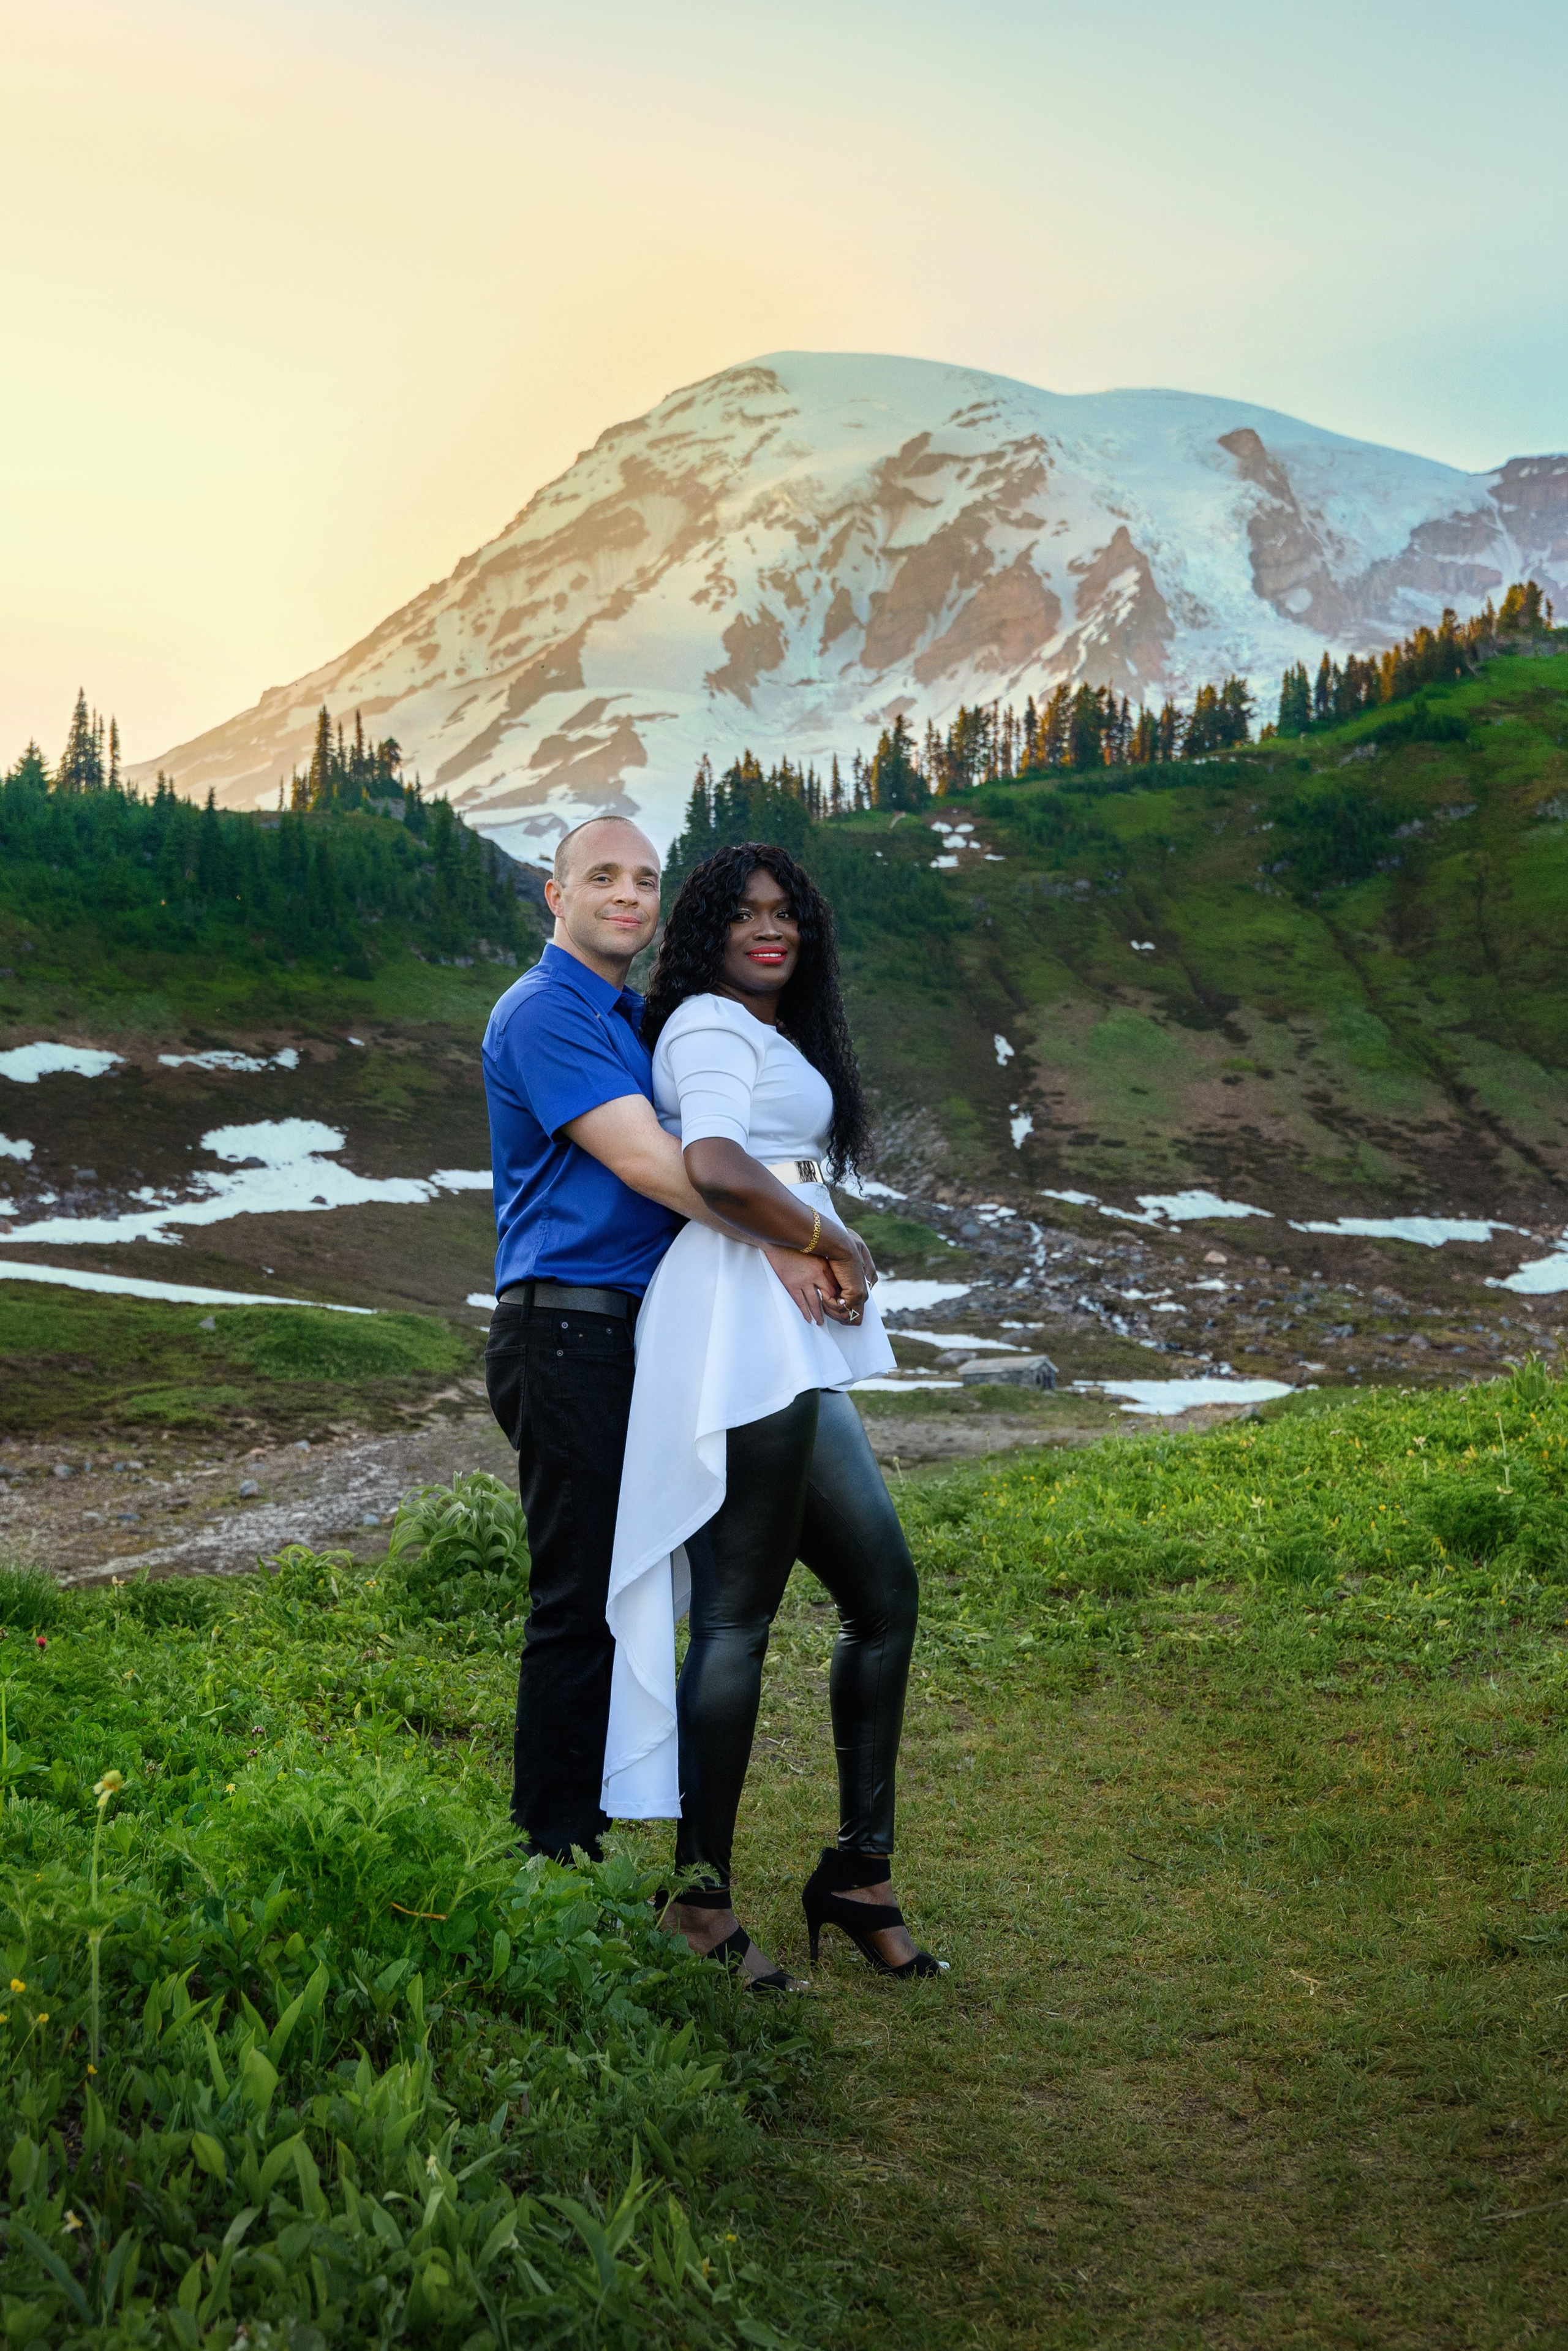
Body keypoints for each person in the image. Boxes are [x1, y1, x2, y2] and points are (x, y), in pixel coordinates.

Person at [480, 815, 869, 1865]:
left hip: (623, 1332)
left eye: (644, 880)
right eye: (601, 877)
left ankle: (597, 1835)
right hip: (565, 1328)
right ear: (553, 896)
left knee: (628, 1586)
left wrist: (778, 1239)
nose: (627, 896)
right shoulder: (544, 1012)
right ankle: (554, 1853)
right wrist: (798, 1240)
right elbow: (658, 1166)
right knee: (579, 1598)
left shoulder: (627, 1018)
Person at [601, 842, 945, 1985]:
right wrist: (828, 1237)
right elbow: (710, 1162)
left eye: (787, 912)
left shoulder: (764, 1031)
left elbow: (765, 1162)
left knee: (882, 1592)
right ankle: (698, 1903)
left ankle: (859, 1872)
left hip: (782, 1327)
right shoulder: (706, 1024)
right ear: (707, 929)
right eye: (747, 912)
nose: (772, 928)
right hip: (739, 1324)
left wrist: (807, 1235)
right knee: (736, 1617)